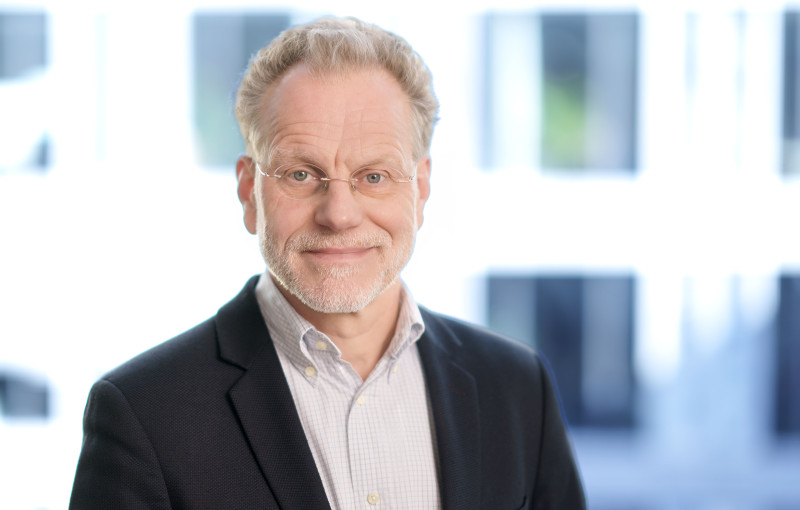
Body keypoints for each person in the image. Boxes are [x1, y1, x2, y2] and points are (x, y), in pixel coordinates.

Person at [69, 16, 586, 510]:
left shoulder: (518, 389)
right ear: (249, 191)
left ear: (421, 188)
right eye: (300, 174)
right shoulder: (144, 414)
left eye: (374, 176)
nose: (339, 214)